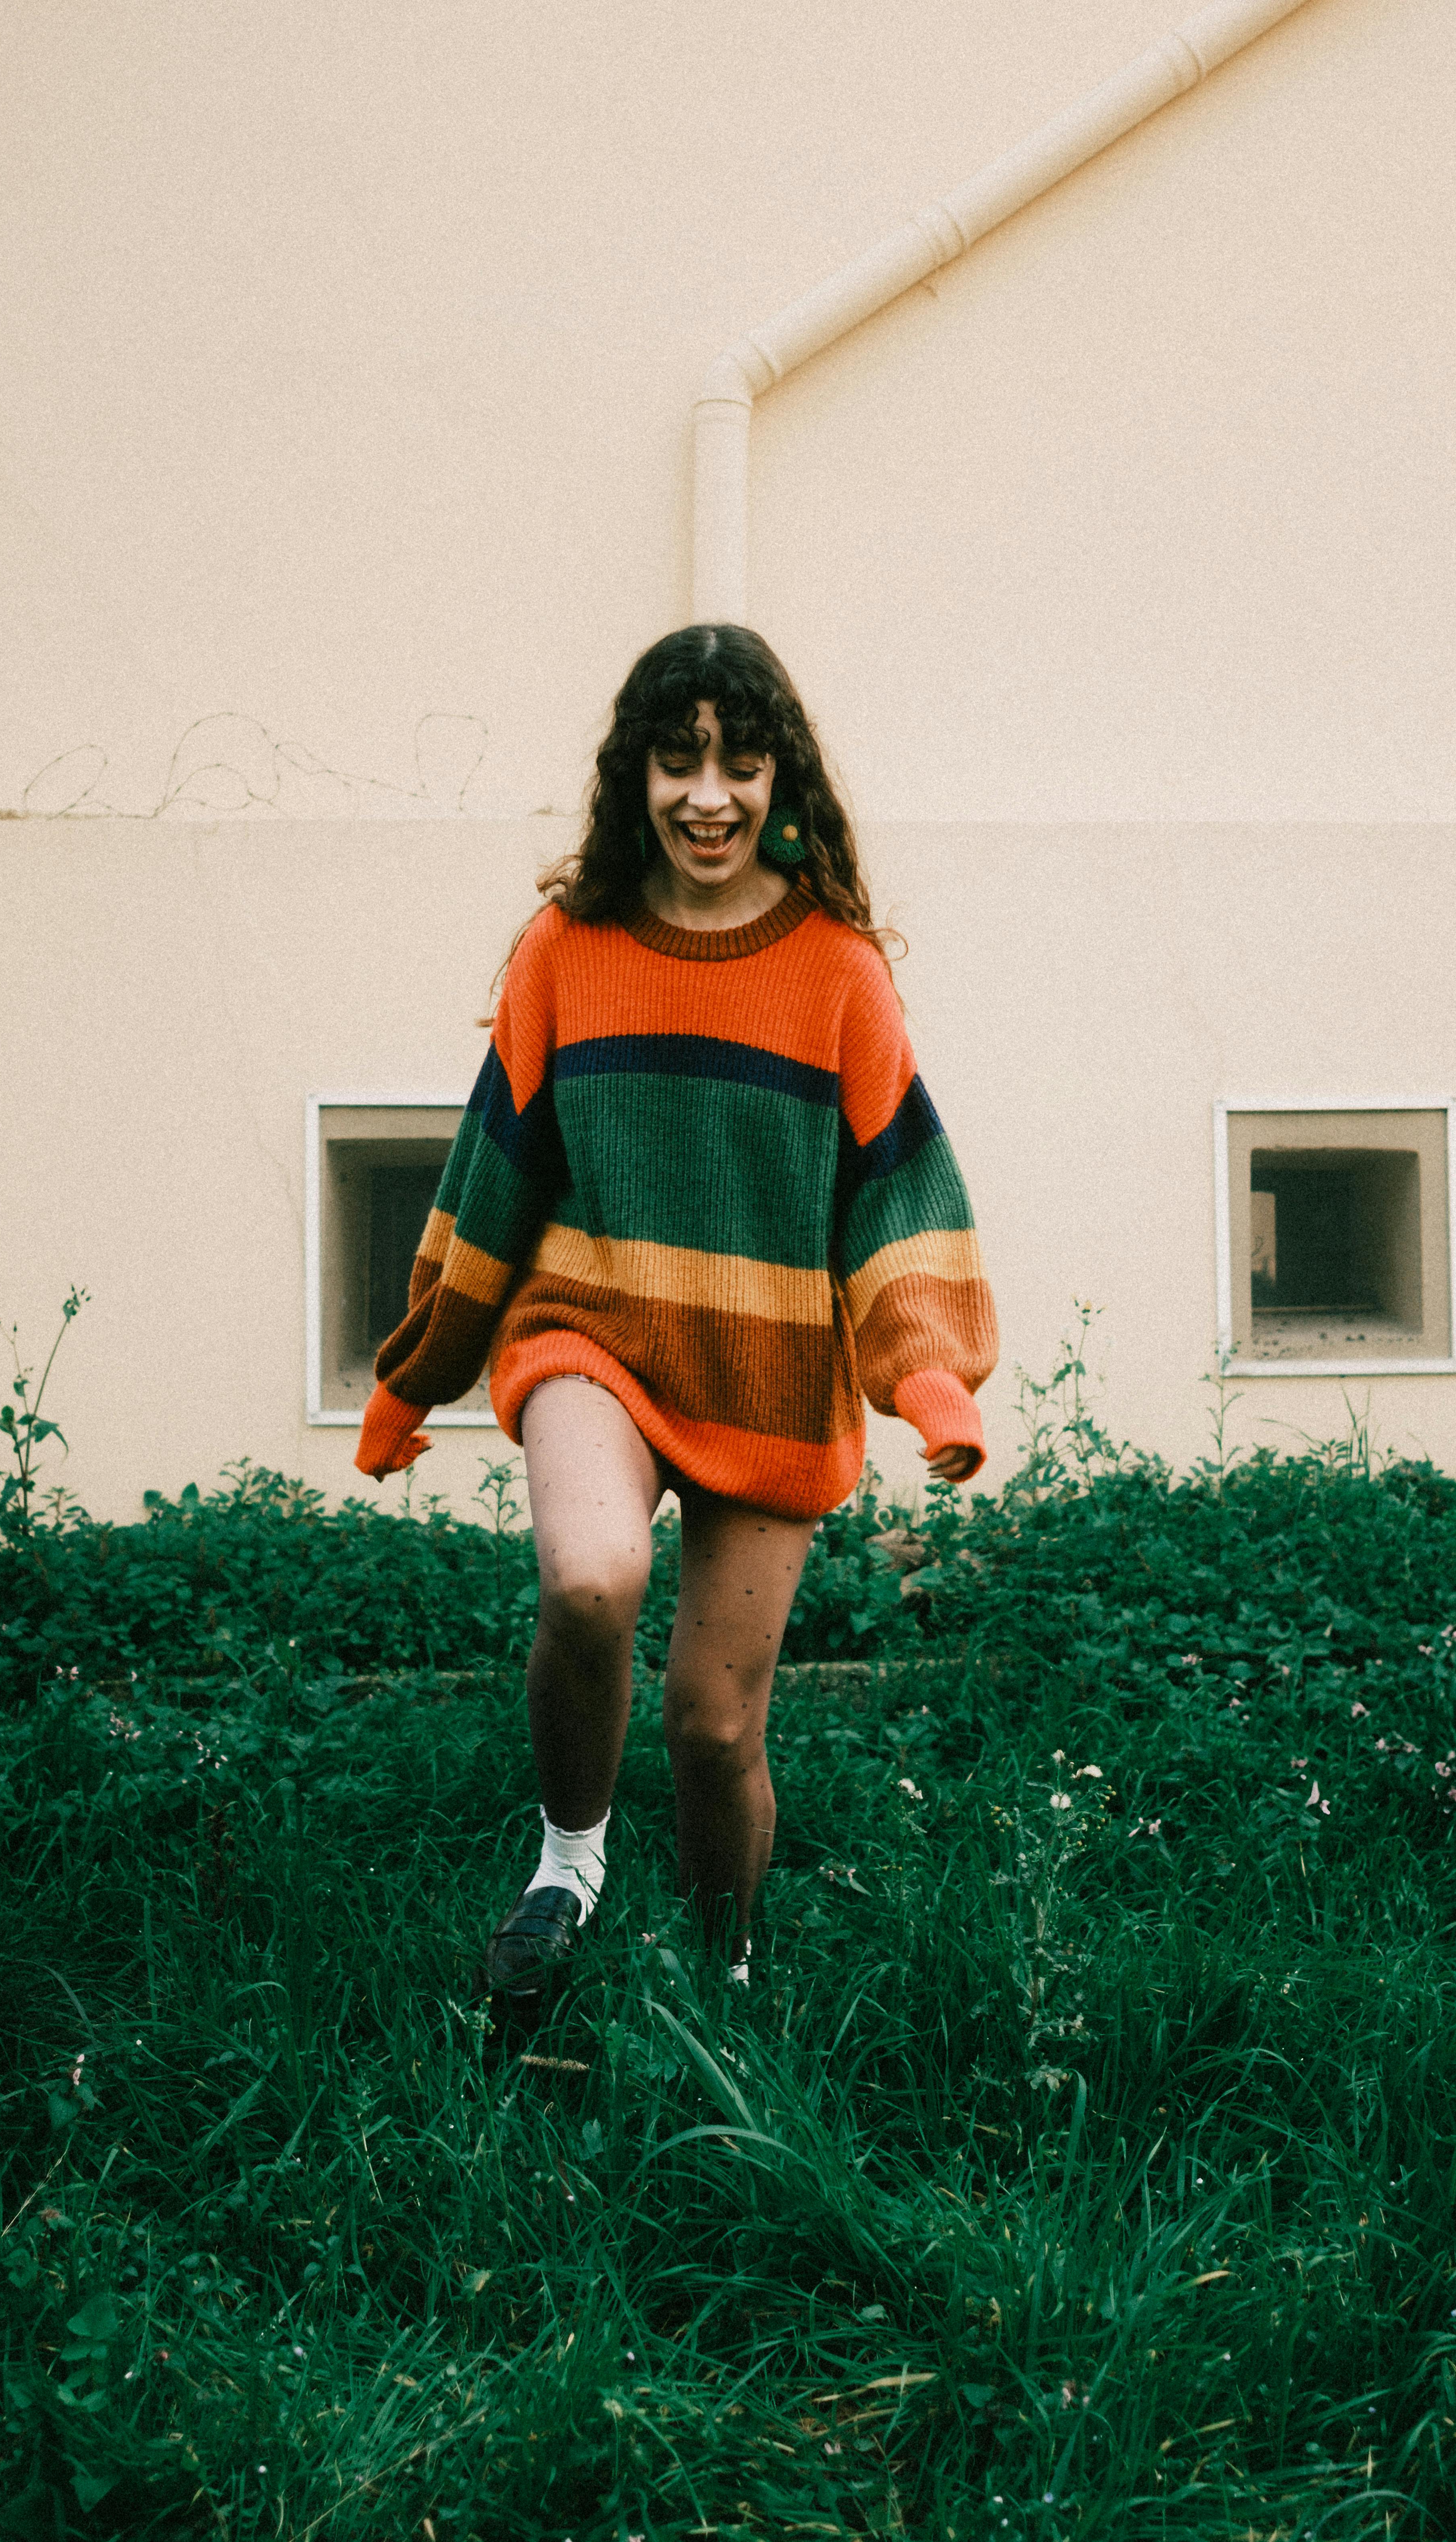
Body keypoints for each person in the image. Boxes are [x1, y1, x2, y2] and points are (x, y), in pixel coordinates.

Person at [354, 624, 997, 2010]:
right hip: (592, 1324)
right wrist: (417, 1375)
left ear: (781, 784)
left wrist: (930, 1378)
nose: (708, 796)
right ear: (633, 777)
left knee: (713, 1730)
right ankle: (568, 1859)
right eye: (676, 761)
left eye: (741, 764)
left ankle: (727, 1974)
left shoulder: (835, 969)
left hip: (767, 1361)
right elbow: (495, 1169)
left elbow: (895, 1190)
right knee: (591, 1578)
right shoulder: (567, 947)